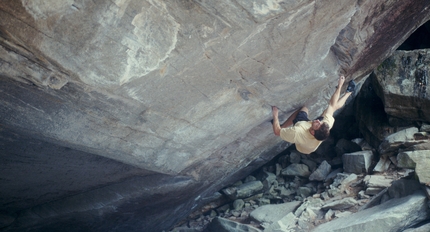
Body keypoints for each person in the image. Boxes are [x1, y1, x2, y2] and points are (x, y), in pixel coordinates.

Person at [271, 75, 355, 154]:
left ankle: (283, 126)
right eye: (321, 122)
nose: (318, 121)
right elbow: (332, 105)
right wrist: (340, 85)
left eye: (318, 124)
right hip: (312, 136)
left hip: (303, 146)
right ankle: (349, 92)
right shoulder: (326, 125)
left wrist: (275, 115)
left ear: (312, 132)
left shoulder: (298, 132)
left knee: (302, 109)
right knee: (331, 109)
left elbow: (277, 132)